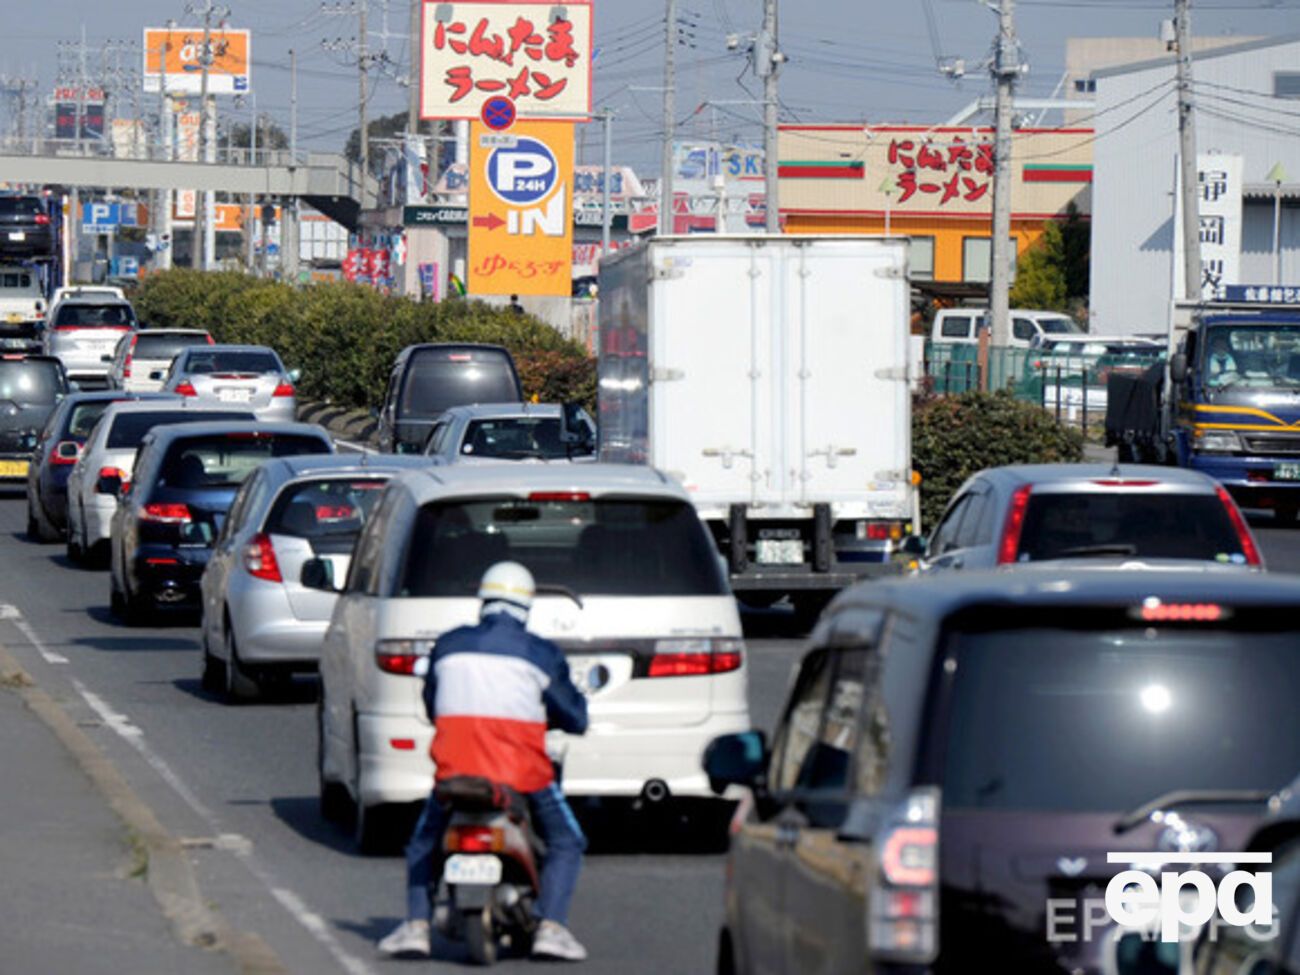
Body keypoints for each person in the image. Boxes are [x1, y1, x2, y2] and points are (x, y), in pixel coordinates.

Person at [377, 561, 590, 962]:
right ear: (526, 606)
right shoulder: (541, 653)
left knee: (423, 843)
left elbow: (431, 705)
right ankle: (552, 927)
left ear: (483, 601)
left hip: (454, 777)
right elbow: (575, 717)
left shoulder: (448, 645)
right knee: (567, 841)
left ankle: (417, 926)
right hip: (523, 779)